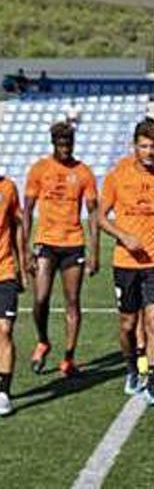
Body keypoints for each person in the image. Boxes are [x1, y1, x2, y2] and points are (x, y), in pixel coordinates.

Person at [99, 118, 154, 406]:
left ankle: (152, 383)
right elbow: (100, 217)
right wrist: (123, 236)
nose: (150, 152)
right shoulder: (118, 175)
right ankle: (130, 369)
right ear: (135, 146)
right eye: (144, 146)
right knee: (128, 324)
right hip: (125, 261)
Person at [24, 122, 99, 377]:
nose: (66, 150)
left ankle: (68, 357)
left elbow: (93, 214)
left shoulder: (84, 172)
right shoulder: (40, 169)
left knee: (73, 301)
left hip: (73, 244)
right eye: (61, 145)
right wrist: (25, 249)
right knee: (40, 298)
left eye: (69, 145)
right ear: (54, 143)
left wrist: (94, 252)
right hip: (45, 242)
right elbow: (26, 212)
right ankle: (43, 340)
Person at [0, 176, 28, 415]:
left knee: (4, 330)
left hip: (5, 270)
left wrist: (22, 262)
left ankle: (3, 392)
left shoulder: (8, 187)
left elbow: (17, 224)